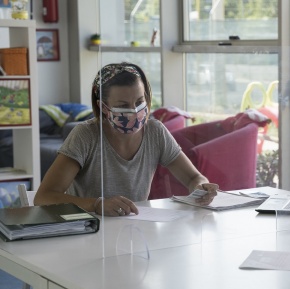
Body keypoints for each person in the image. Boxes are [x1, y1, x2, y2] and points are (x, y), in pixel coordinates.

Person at [34, 62, 218, 216]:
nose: (134, 110)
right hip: (91, 229)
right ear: (103, 107)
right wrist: (97, 205)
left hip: (136, 229)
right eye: (123, 105)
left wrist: (201, 187)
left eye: (139, 102)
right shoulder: (85, 135)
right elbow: (44, 197)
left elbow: (193, 177)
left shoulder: (155, 132)